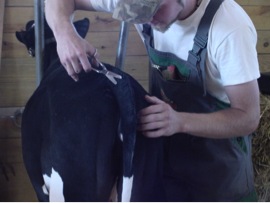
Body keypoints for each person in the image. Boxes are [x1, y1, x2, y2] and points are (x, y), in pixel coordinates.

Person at [45, 0, 261, 201]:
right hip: (166, 159)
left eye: (153, 9)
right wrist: (65, 34)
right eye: (137, 12)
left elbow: (248, 117)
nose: (146, 19)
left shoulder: (230, 29)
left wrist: (179, 122)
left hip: (218, 169)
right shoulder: (142, 9)